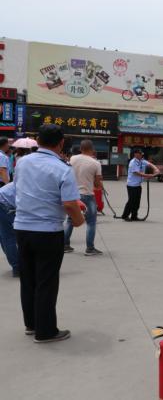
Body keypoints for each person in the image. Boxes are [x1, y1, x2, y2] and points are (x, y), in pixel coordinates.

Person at [14, 124, 85, 343]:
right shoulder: (62, 168)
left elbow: (20, 189)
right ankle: (46, 331)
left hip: (22, 227)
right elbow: (70, 204)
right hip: (47, 231)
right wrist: (79, 220)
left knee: (28, 278)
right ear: (61, 143)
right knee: (46, 281)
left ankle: (31, 324)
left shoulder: (22, 162)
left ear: (38, 140)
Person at [64, 139, 103, 256]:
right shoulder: (96, 163)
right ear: (92, 150)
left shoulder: (72, 159)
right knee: (91, 222)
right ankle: (90, 248)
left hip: (73, 195)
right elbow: (97, 184)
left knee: (70, 220)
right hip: (87, 195)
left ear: (80, 149)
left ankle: (65, 245)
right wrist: (99, 183)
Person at [121, 149, 159, 221]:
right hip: (131, 185)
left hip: (138, 185)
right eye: (140, 154)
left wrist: (156, 169)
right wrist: (147, 175)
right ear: (135, 154)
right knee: (131, 201)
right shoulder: (133, 163)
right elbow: (136, 173)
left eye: (142, 154)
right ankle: (125, 215)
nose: (142, 155)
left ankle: (134, 216)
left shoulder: (141, 160)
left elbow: (149, 164)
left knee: (137, 202)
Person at [0, 182, 19, 277]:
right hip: (3, 203)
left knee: (5, 236)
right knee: (10, 237)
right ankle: (17, 267)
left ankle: (15, 264)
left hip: (3, 199)